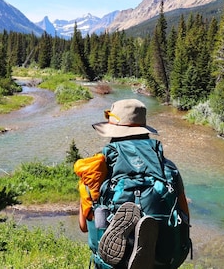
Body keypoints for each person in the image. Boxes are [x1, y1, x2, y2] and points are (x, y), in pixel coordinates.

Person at [75, 98, 191, 269]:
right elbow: (185, 218)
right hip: (163, 260)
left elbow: (83, 226)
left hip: (111, 264)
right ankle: (146, 241)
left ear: (113, 132)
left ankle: (126, 240)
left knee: (100, 220)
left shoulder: (96, 168)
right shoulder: (167, 168)